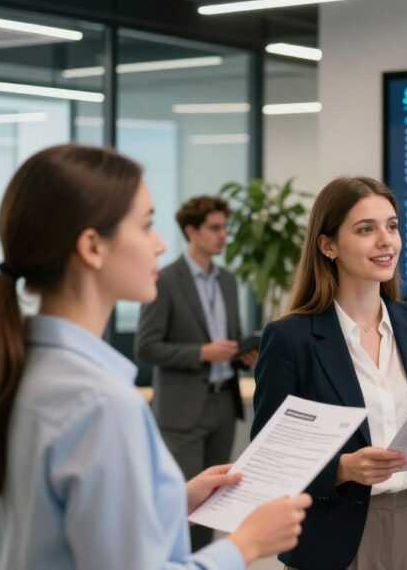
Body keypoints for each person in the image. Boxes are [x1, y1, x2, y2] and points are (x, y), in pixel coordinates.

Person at [0, 144, 310, 569]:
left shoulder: (15, 370)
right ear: (92, 247)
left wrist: (171, 498)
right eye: (146, 225)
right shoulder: (101, 403)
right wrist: (246, 544)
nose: (157, 245)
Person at [252, 175, 407, 570]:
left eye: (392, 226)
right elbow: (269, 460)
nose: (386, 240)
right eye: (366, 229)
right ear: (328, 245)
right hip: (334, 536)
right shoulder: (290, 338)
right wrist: (342, 469)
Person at [136, 195, 257, 550]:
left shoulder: (229, 281)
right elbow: (146, 347)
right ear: (191, 231)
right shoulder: (166, 279)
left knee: (216, 503)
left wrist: (242, 353)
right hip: (181, 408)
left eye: (225, 228)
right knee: (183, 505)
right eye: (215, 228)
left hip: (223, 404)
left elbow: (230, 338)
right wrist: (202, 353)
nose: (223, 235)